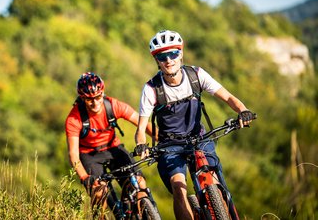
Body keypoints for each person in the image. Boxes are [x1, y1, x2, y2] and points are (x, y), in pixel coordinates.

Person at [134, 30, 255, 220]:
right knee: (178, 187)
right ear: (156, 60)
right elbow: (141, 129)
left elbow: (228, 97)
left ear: (181, 53)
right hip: (170, 146)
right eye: (162, 56)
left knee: (214, 180)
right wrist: (141, 144)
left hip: (199, 137)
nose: (168, 60)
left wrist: (243, 110)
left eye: (173, 54)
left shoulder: (196, 75)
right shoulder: (151, 89)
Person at [65, 72, 153, 219]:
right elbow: (73, 154)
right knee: (99, 192)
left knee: (139, 182)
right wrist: (84, 177)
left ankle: (148, 213)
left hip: (113, 148)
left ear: (103, 93)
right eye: (89, 99)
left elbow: (142, 123)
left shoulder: (112, 105)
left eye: (98, 97)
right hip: (90, 155)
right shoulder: (74, 119)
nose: (95, 103)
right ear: (82, 98)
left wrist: (161, 140)